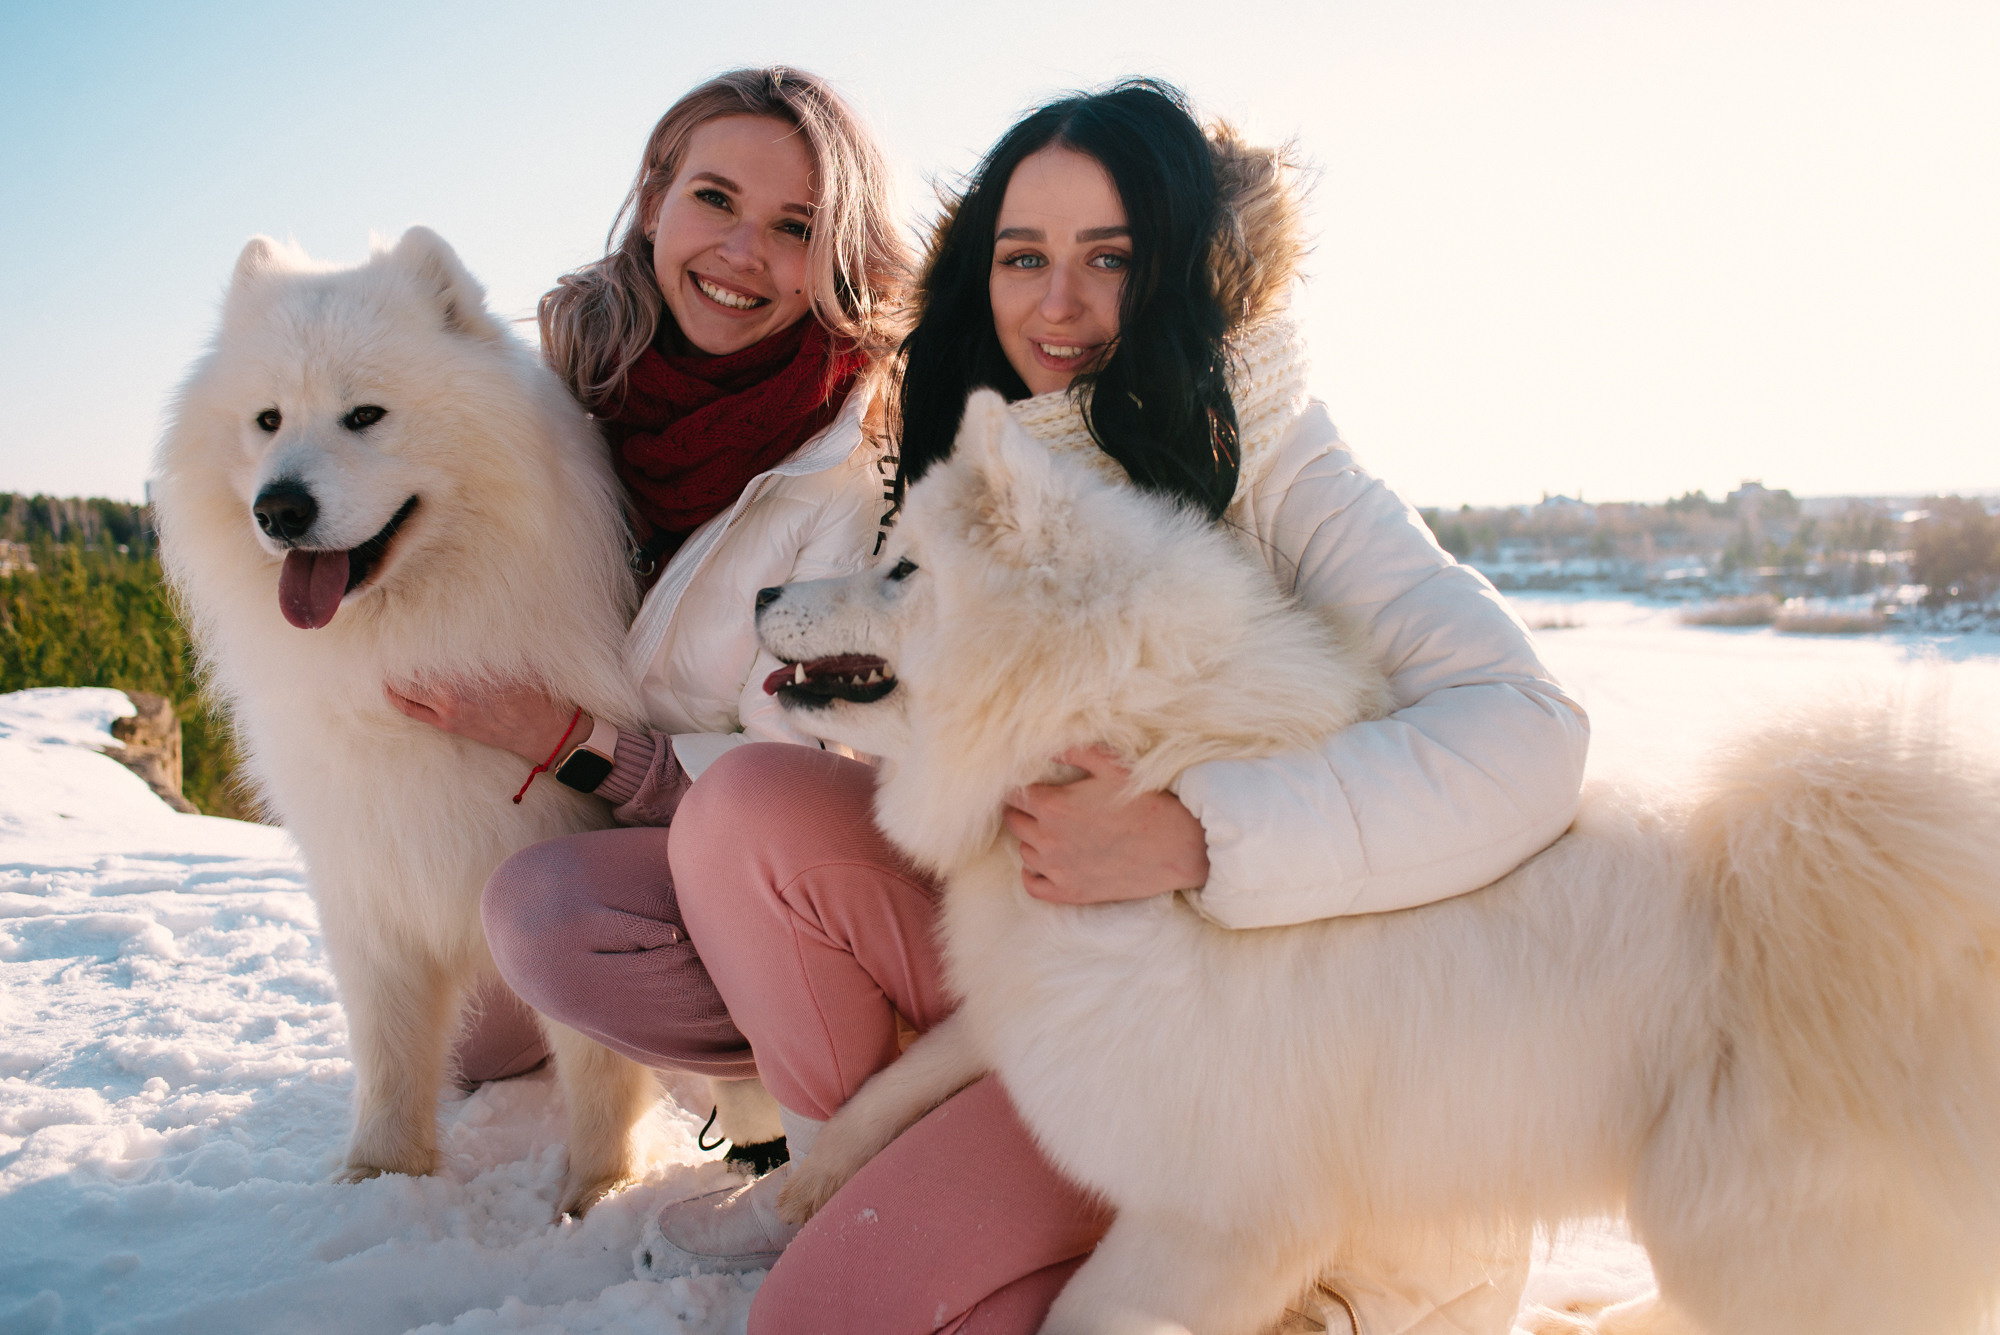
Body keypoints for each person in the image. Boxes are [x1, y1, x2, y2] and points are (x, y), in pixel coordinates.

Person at [652, 81, 1591, 1334]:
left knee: (835, 1320)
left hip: (1281, 1085)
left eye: (1111, 259)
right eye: (1021, 257)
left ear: (1184, 271)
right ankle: (865, 1182)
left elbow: (1527, 732)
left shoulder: (1275, 447)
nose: (1057, 303)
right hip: (1073, 988)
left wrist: (1199, 831)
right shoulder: (998, 450)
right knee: (750, 810)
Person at [387, 66, 910, 1162]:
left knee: (547, 924)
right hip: (584, 816)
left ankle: (776, 1079)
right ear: (657, 196)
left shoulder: (853, 468)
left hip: (767, 861)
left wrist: (565, 741)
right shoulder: (569, 387)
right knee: (481, 1039)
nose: (738, 252)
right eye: (714, 199)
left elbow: (796, 780)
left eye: (794, 227)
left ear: (840, 256)